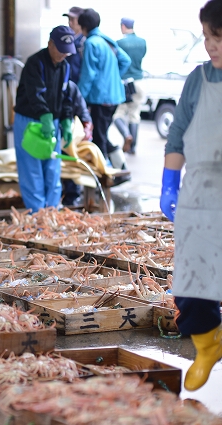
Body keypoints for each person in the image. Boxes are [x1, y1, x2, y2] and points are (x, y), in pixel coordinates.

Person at [160, 0, 222, 392]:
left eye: (217, 37)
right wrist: (170, 179)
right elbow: (178, 131)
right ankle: (207, 344)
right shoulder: (198, 79)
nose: (209, 45)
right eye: (206, 36)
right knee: (190, 283)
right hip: (201, 191)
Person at [13, 26, 75, 212]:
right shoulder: (35, 63)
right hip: (29, 122)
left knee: (52, 170)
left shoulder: (65, 66)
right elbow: (35, 93)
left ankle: (52, 213)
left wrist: (66, 120)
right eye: (61, 50)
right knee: (32, 172)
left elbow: (66, 96)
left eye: (67, 52)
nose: (64, 55)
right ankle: (37, 216)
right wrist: (45, 116)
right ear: (50, 44)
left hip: (53, 123)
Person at [77, 8, 131, 185]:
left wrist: (78, 99)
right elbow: (125, 61)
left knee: (99, 138)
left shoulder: (91, 43)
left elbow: (88, 74)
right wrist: (113, 77)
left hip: (100, 98)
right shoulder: (107, 41)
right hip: (114, 96)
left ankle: (106, 178)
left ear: (83, 26)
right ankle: (121, 169)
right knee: (101, 134)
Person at [113, 17, 147, 154]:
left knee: (118, 114)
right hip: (139, 81)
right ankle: (133, 147)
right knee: (135, 114)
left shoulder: (119, 43)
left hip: (124, 83)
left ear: (123, 26)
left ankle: (127, 135)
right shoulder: (142, 42)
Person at [61, 80, 93, 206]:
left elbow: (84, 114)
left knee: (73, 158)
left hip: (69, 140)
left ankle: (71, 197)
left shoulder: (71, 88)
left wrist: (86, 129)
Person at [63, 6, 85, 83]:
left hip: (79, 85)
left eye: (72, 19)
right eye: (69, 19)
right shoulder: (67, 39)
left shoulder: (84, 42)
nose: (69, 22)